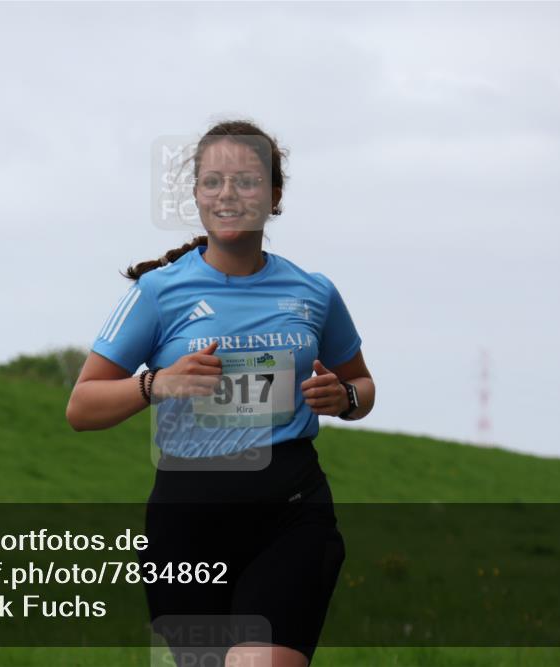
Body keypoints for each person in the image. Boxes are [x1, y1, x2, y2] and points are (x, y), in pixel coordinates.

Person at [66, 119, 375, 667]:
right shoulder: (158, 293)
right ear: (196, 195)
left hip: (291, 512)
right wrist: (156, 383)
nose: (228, 195)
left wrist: (344, 398)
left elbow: (362, 385)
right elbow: (82, 408)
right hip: (187, 526)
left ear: (274, 195)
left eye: (247, 181)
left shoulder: (314, 292)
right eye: (213, 182)